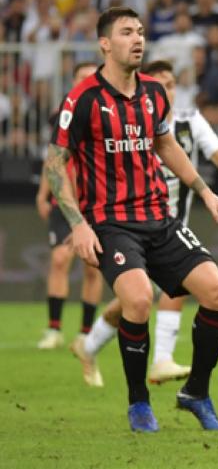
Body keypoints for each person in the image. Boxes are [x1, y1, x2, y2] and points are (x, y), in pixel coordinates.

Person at [45, 7, 218, 433]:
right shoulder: (82, 99)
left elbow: (165, 144)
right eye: (126, 33)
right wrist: (77, 223)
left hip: (159, 216)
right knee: (136, 300)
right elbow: (55, 162)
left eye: (140, 32)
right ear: (105, 44)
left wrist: (206, 192)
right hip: (111, 222)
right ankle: (138, 402)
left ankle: (196, 392)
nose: (137, 39)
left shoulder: (154, 92)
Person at [72, 59, 218, 389]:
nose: (167, 90)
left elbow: (215, 150)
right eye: (161, 84)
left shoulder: (188, 120)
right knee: (140, 299)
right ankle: (156, 362)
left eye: (171, 84)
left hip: (170, 226)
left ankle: (93, 345)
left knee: (146, 297)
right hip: (127, 226)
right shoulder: (126, 119)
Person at [35, 61, 104, 352]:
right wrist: (42, 193)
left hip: (98, 203)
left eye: (91, 77)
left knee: (93, 268)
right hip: (65, 202)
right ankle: (54, 329)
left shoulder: (108, 115)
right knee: (61, 260)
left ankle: (86, 332)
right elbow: (53, 159)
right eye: (81, 77)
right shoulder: (62, 116)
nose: (86, 82)